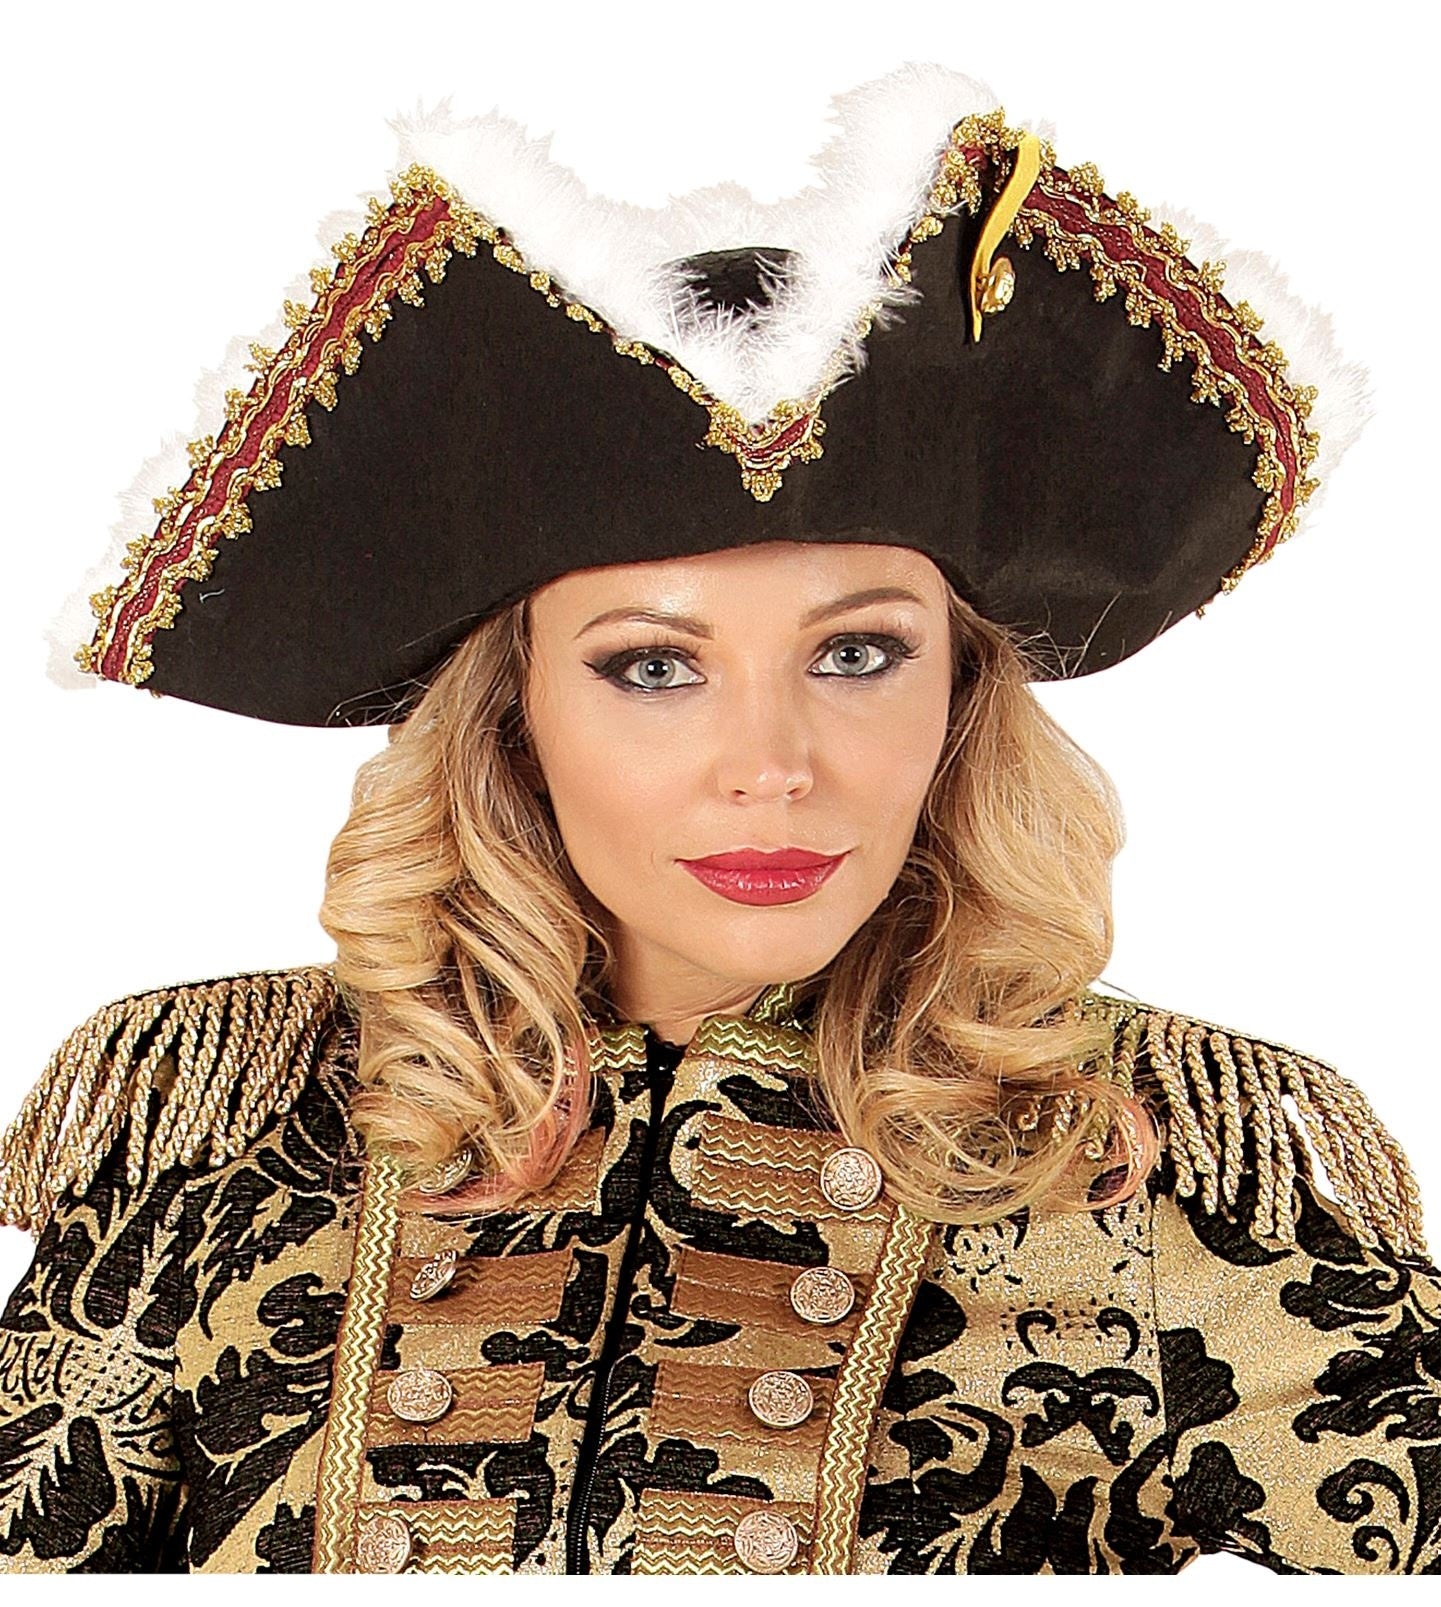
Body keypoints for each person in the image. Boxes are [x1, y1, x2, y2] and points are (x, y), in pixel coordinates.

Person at [1, 61, 1437, 1576]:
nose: (771, 766)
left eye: (857, 655)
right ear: (513, 711)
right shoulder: (234, 1130)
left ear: (958, 695)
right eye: (652, 668)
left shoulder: (1142, 1164)